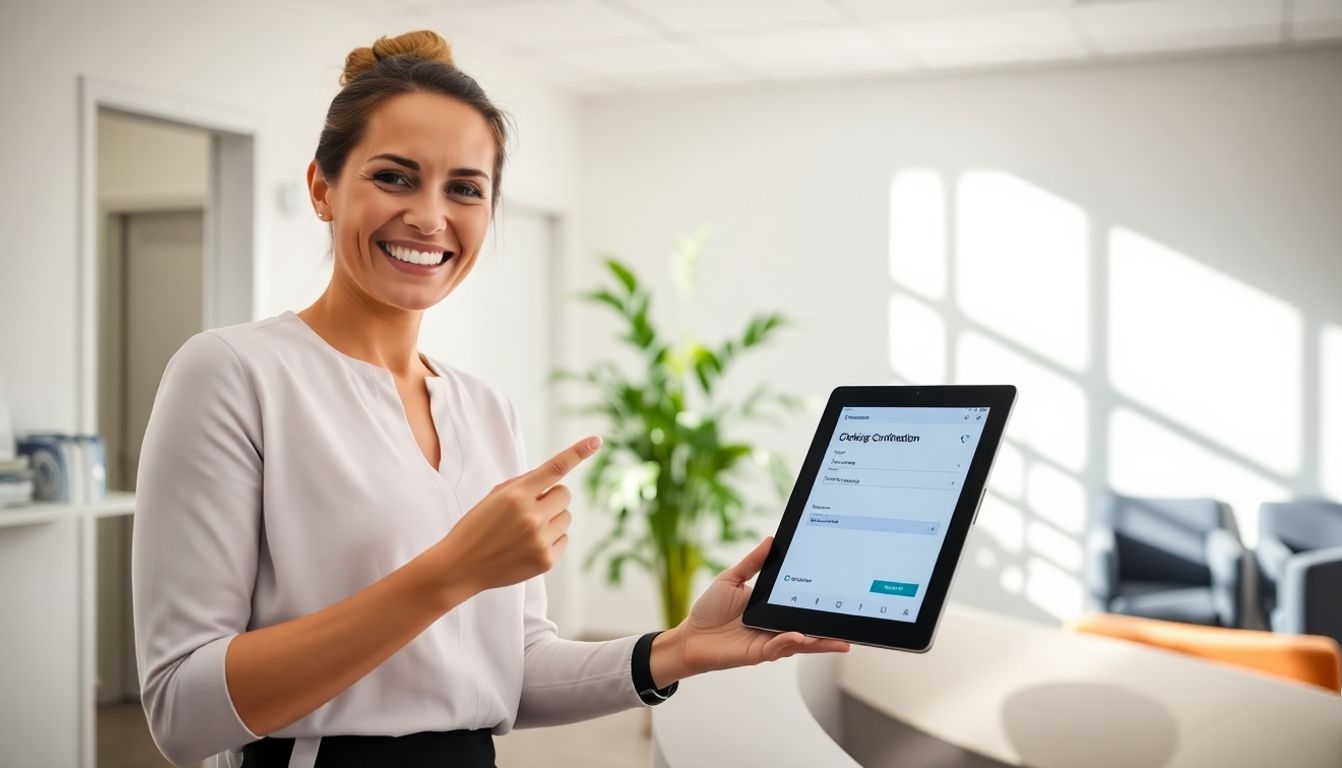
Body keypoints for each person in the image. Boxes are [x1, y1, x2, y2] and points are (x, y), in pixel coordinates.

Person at [131, 30, 848, 768]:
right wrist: (450, 572)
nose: (430, 217)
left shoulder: (482, 409)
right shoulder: (232, 374)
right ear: (322, 187)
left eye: (465, 189)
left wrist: (677, 650)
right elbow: (182, 711)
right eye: (395, 177)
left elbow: (511, 670)